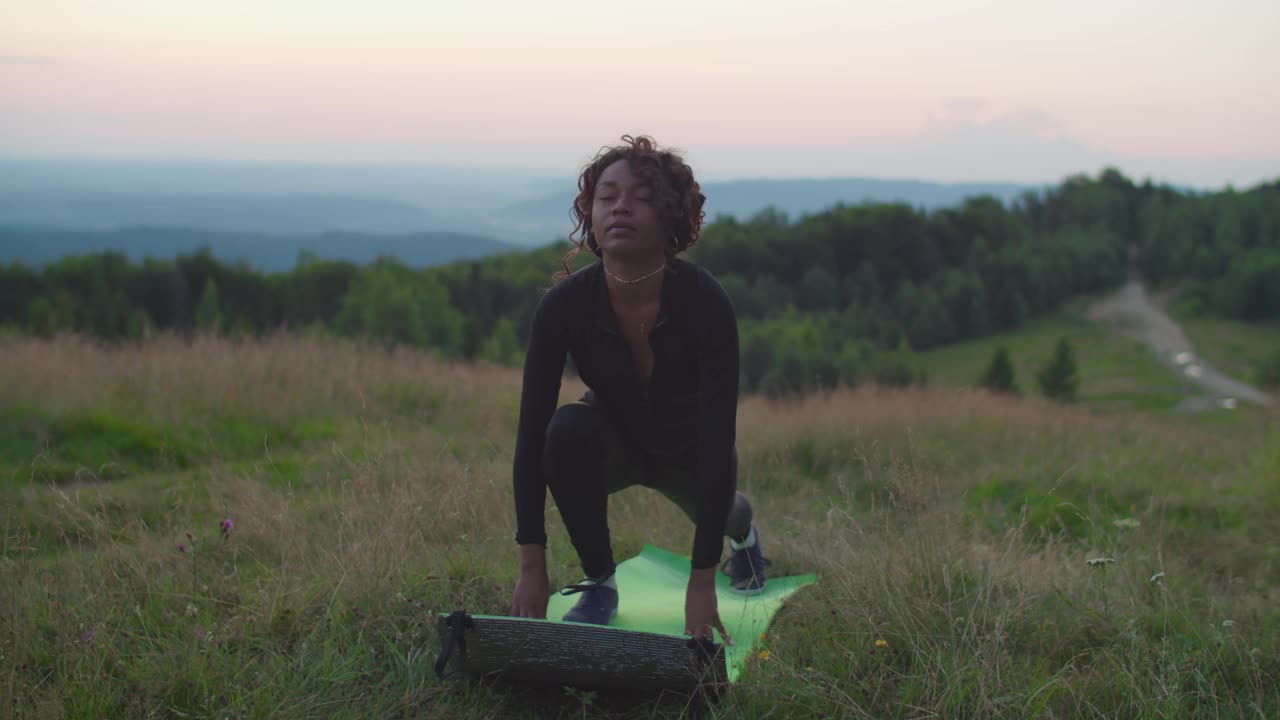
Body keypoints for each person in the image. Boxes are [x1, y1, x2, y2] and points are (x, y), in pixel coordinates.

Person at [507, 135, 768, 645]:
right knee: (564, 433)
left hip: (690, 449)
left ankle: (747, 537)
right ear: (590, 214)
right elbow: (529, 435)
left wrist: (701, 585)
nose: (620, 208)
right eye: (607, 196)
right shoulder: (563, 306)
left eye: (642, 197)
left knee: (724, 511)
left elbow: (718, 438)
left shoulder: (705, 301)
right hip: (614, 441)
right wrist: (531, 563)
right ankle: (602, 584)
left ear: (671, 217)